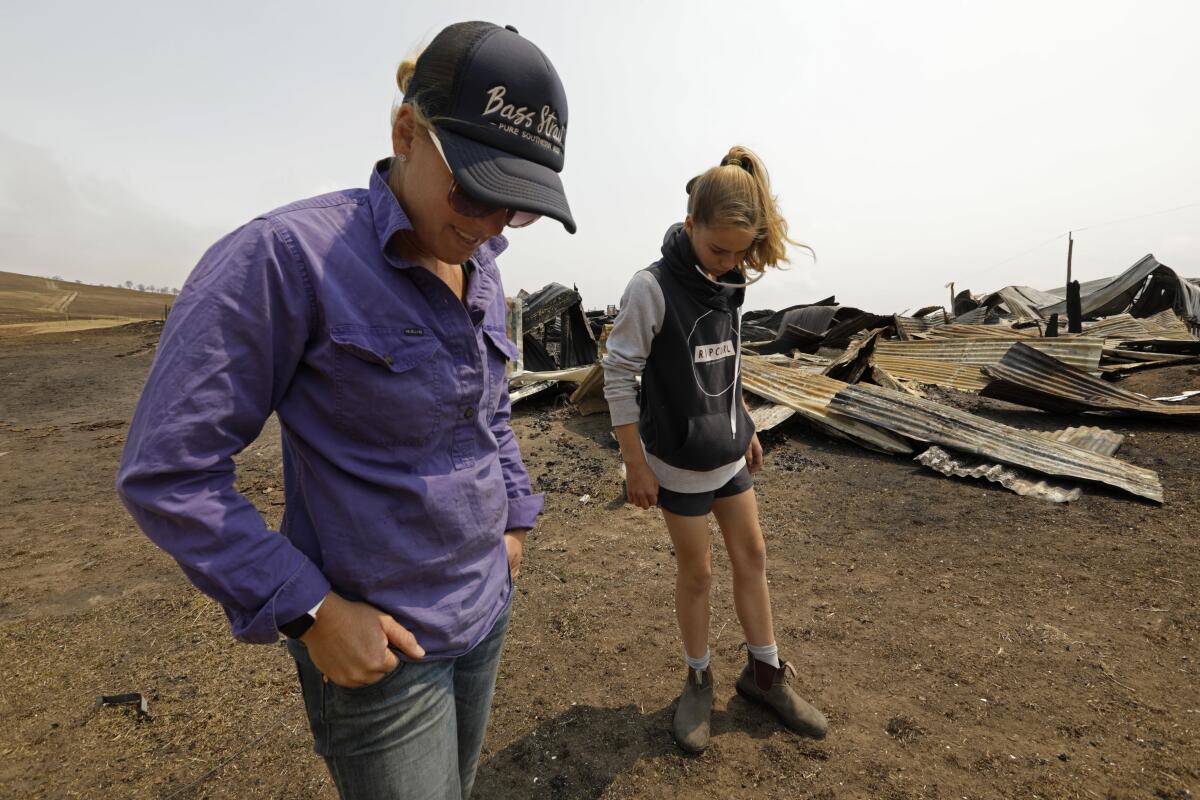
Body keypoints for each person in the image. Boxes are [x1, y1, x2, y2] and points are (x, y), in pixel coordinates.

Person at [116, 21, 574, 800]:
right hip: (386, 650)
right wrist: (311, 611)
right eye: (475, 190)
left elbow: (489, 412)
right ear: (406, 132)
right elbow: (169, 471)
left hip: (486, 608)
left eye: (517, 208)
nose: (492, 225)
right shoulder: (284, 259)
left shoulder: (483, 266)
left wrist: (516, 519)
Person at [601, 145, 827, 754]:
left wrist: (746, 419)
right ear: (689, 224)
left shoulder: (729, 280)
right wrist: (634, 462)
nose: (730, 264)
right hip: (675, 460)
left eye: (741, 253)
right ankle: (697, 679)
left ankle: (764, 674)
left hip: (727, 451)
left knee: (751, 555)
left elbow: (726, 358)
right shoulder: (650, 288)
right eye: (718, 250)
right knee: (697, 573)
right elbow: (618, 375)